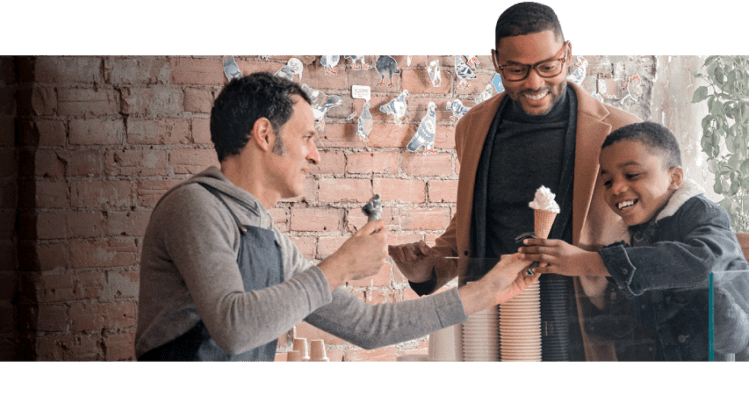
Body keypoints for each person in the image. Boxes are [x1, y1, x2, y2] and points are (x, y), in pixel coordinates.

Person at [135, 72, 537, 361]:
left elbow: (368, 326)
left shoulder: (270, 239)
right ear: (264, 134)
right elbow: (234, 328)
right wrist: (340, 266)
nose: (315, 155)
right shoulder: (195, 207)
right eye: (307, 137)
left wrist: (486, 291)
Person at [388, 1, 641, 361]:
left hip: (585, 328)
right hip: (490, 329)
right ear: (496, 62)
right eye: (516, 70)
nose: (534, 82)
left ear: (567, 54)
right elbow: (475, 218)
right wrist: (426, 271)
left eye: (547, 67)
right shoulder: (472, 127)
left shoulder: (622, 130)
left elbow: (651, 232)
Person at [520, 122, 749, 361]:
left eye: (632, 175)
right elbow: (629, 321)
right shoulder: (628, 235)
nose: (616, 188)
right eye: (607, 181)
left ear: (675, 177)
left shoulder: (701, 214)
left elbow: (706, 264)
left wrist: (593, 263)